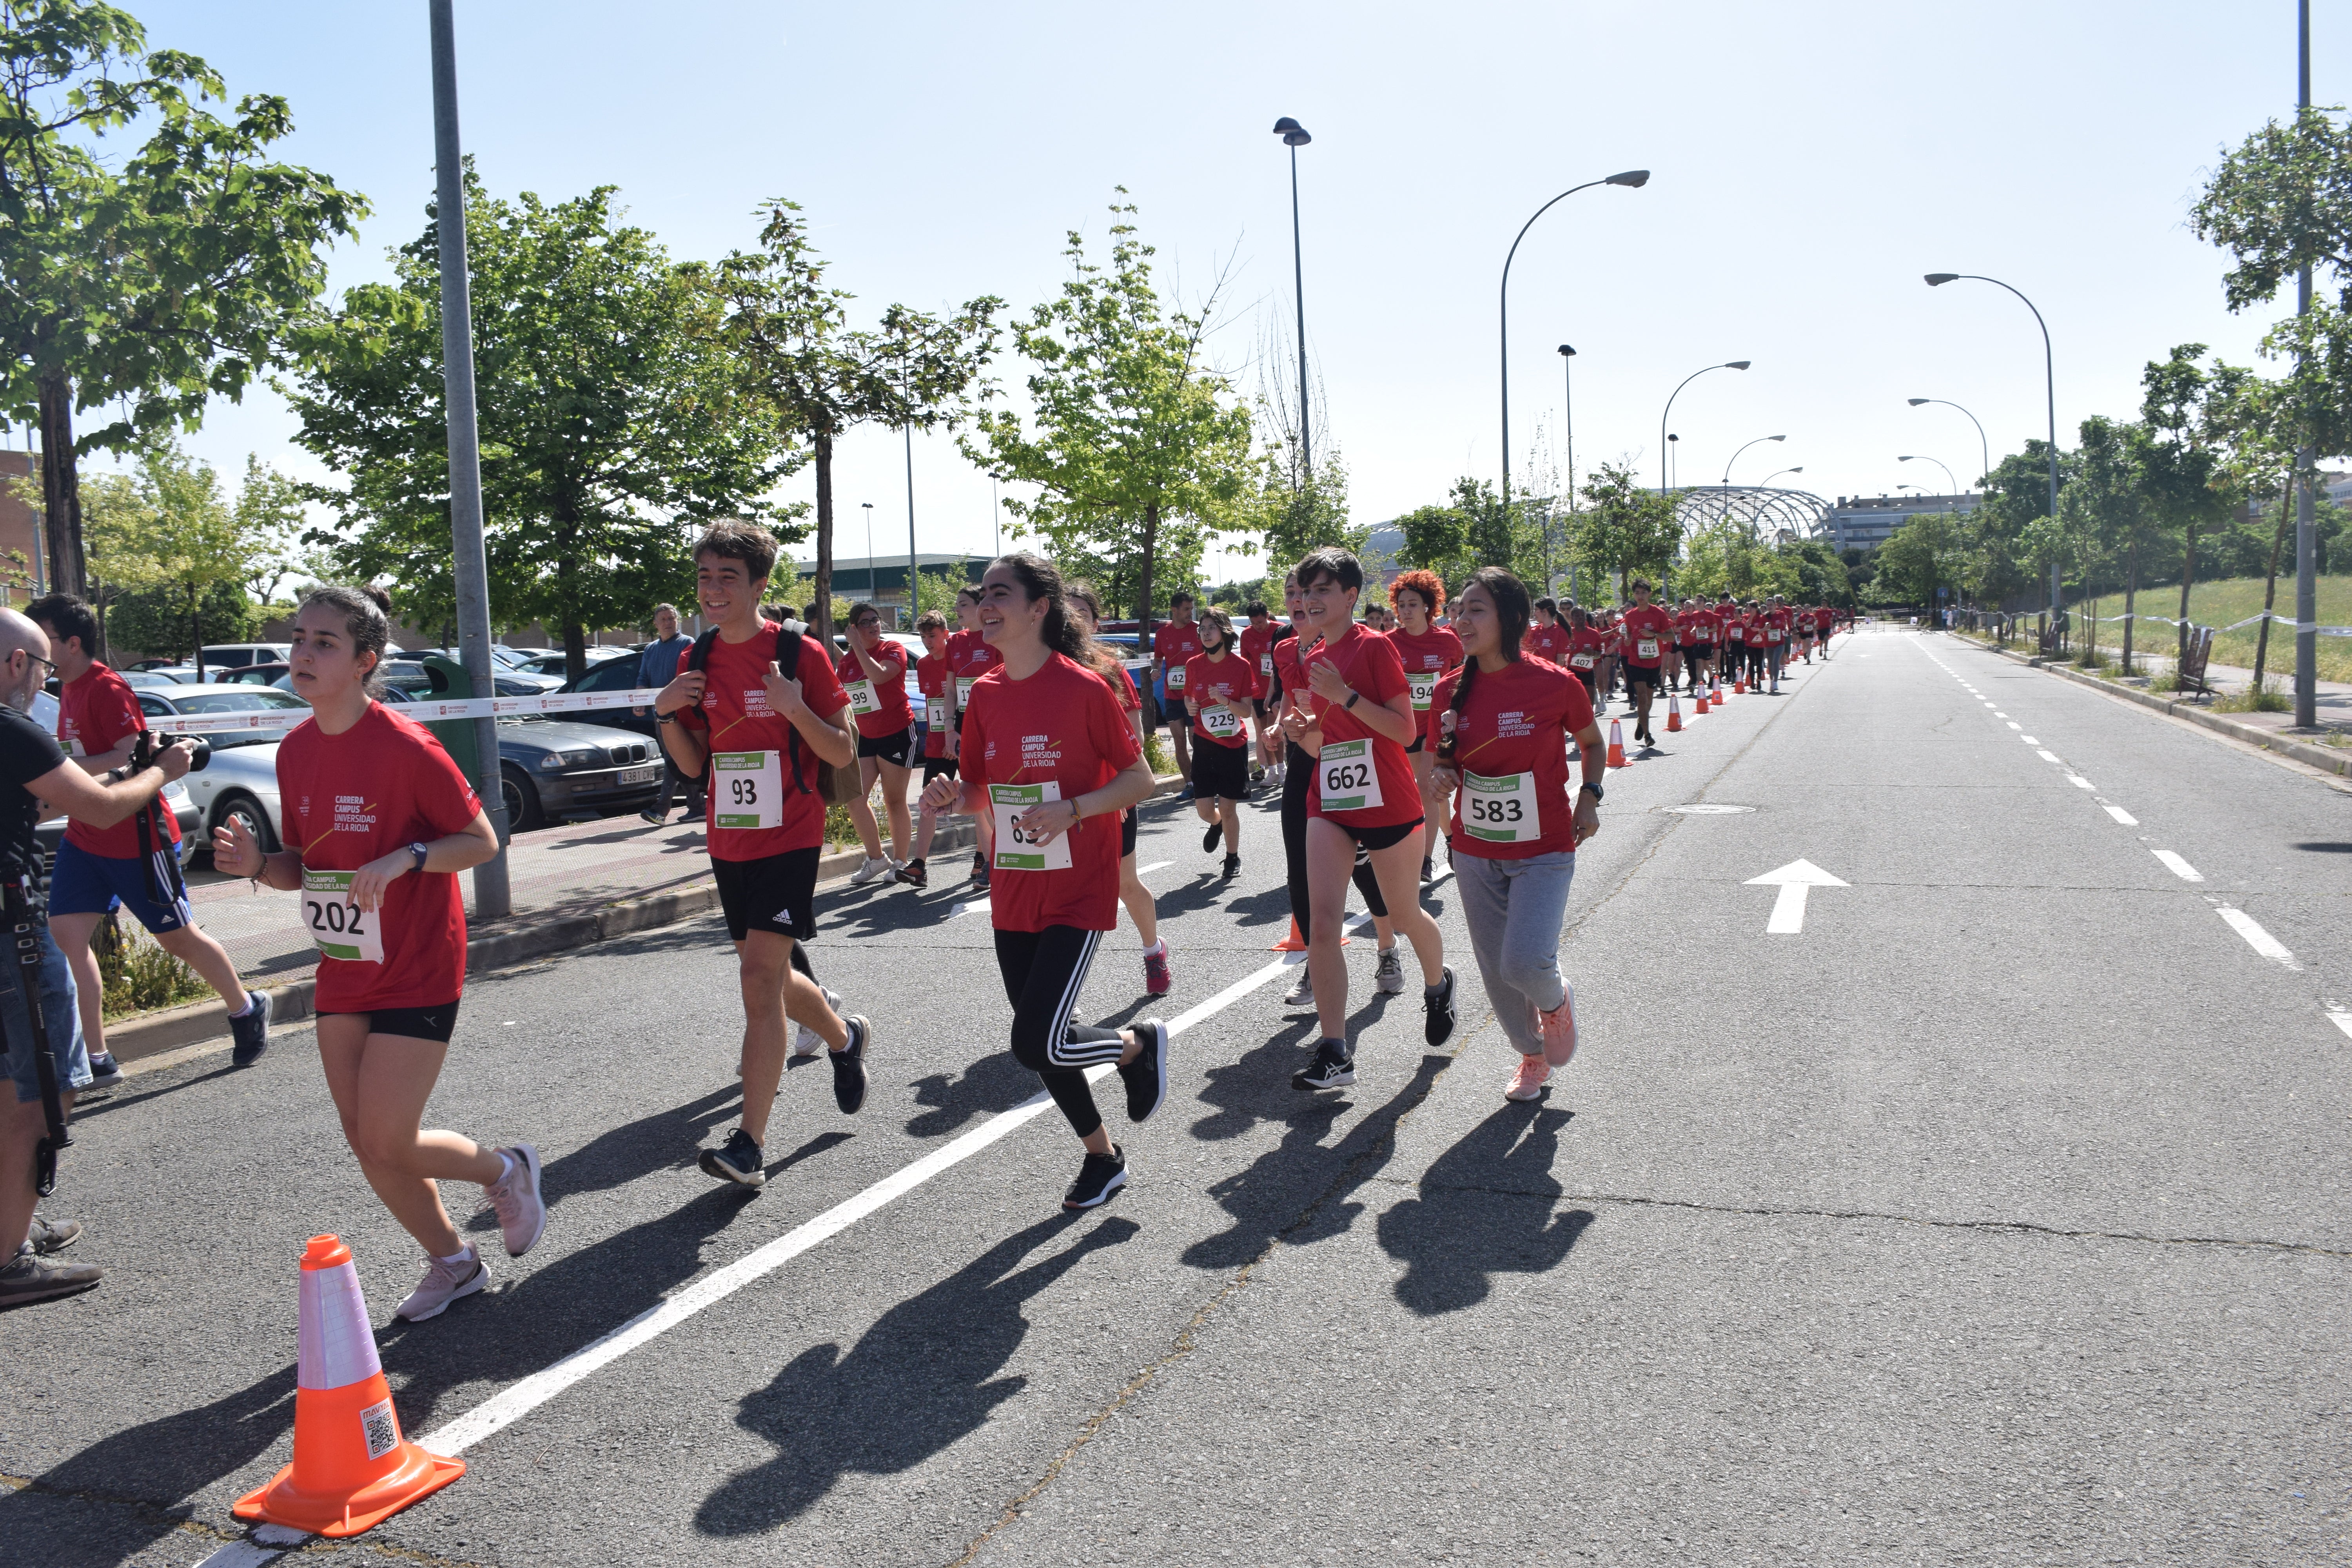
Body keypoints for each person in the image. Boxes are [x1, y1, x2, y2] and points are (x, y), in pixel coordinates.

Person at [212, 586, 543, 1323]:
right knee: (366, 1142)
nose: (302, 652)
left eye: (324, 643)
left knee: (390, 1134)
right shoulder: (295, 752)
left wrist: (409, 857)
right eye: (300, 638)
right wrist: (258, 866)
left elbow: (482, 840)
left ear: (364, 662)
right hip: (345, 964)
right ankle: (454, 1263)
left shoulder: (407, 746)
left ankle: (505, 1170)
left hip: (419, 961)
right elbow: (306, 863)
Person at [919, 553, 1167, 1209]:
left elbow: (1142, 780)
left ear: (1038, 609)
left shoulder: (1086, 688)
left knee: (1035, 1041)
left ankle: (1137, 1046)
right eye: (984, 594)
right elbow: (980, 790)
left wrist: (1075, 808)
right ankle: (1103, 1157)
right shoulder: (988, 695)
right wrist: (951, 796)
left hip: (1078, 890)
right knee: (1047, 1039)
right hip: (1015, 887)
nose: (986, 603)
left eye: (1002, 593)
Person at [653, 522, 872, 1190]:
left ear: (758, 585)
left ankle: (749, 1145)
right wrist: (664, 715)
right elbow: (695, 765)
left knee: (756, 979)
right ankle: (843, 1036)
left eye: (727, 578)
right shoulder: (698, 657)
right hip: (729, 835)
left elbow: (841, 752)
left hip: (790, 834)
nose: (712, 590)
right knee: (769, 978)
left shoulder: (797, 652)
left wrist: (796, 707)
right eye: (704, 577)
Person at [0, 609, 195, 1306]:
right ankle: (8, 1260)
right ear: (19, 665)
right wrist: (164, 771)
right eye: (42, 670)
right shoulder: (10, 727)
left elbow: (42, 802)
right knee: (48, 1088)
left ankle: (9, 1226)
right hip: (10, 940)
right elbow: (103, 809)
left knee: (9, 1083)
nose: (44, 686)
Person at [28, 593, 269, 1081]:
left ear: (72, 644)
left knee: (177, 938)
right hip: (85, 835)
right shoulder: (66, 689)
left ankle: (247, 1007)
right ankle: (97, 1057)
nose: (35, 648)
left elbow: (126, 756)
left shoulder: (107, 686)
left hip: (136, 837)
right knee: (67, 938)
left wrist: (60, 772)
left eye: (43, 639)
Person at [1425, 568, 1604, 1104]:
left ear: (1511, 618)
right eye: (1459, 609)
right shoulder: (1447, 693)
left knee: (1524, 962)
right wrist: (1441, 776)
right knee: (1498, 976)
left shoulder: (1555, 683)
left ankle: (1555, 1002)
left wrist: (1590, 797)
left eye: (1476, 609)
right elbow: (1443, 763)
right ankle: (1530, 1055)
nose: (1461, 619)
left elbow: (1593, 743)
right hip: (1476, 850)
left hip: (1545, 848)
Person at [1288, 547, 1453, 1092]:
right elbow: (1326, 741)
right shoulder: (1312, 657)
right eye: (1305, 591)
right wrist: (1301, 730)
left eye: (1322, 591)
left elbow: (1405, 732)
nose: (1310, 601)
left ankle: (1438, 984)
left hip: (1387, 800)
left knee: (1404, 914)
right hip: (1330, 803)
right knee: (1322, 924)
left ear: (1351, 597)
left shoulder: (1376, 650)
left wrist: (1345, 695)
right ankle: (1335, 1052)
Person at [1270, 572, 1406, 1011]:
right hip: (1307, 762)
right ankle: (1319, 955)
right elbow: (1294, 702)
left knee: (1365, 864)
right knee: (1301, 869)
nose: (1297, 601)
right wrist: (1279, 726)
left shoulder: (1358, 645)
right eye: (1291, 594)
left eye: (1306, 593)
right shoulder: (1284, 650)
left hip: (1355, 760)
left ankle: (1387, 945)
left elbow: (1395, 720)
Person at [1067, 582, 1171, 995]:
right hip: (1060, 801)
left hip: (1111, 797)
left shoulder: (1109, 670)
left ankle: (1153, 949)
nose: (1072, 621)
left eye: (1081, 614)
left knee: (1124, 884)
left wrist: (1115, 791)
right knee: (1070, 893)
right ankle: (1061, 993)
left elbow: (1136, 739)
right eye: (1065, 612)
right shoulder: (1037, 668)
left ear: (1096, 622)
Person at [1384, 570, 1464, 884]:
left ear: (1429, 607)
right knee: (1418, 796)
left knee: (1428, 792)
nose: (1406, 611)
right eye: (1401, 604)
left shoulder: (1447, 641)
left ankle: (1424, 860)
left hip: (1434, 730)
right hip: (1400, 729)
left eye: (1413, 604)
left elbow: (1461, 680)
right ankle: (1451, 836)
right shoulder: (1388, 643)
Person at [836, 602, 914, 884]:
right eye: (865, 623)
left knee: (895, 800)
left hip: (897, 732)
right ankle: (877, 857)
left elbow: (880, 675)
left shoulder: (893, 648)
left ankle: (901, 861)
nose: (873, 626)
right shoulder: (846, 663)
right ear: (854, 628)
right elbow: (841, 699)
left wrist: (857, 647)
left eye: (876, 620)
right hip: (865, 736)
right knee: (855, 798)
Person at [1181, 606, 1257, 879]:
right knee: (1205, 812)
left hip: (1232, 747)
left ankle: (1232, 857)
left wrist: (1225, 701)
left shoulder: (1241, 667)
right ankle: (1217, 826)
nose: (1206, 633)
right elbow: (1190, 699)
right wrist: (1190, 707)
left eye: (1211, 628)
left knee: (1228, 808)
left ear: (1224, 631)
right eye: (1202, 629)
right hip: (1203, 745)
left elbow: (1247, 712)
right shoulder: (1194, 665)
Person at [896, 611, 956, 889]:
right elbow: (934, 704)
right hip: (936, 745)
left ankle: (984, 859)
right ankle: (919, 865)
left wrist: (954, 738)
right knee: (929, 803)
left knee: (981, 802)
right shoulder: (922, 665)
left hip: (963, 742)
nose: (928, 642)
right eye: (923, 637)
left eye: (933, 636)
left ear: (946, 633)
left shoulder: (959, 658)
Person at [946, 586, 1000, 889]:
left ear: (981, 607)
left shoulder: (996, 637)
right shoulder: (955, 642)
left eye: (963, 604)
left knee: (995, 790)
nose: (957, 610)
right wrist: (949, 727)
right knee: (976, 791)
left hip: (995, 723)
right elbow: (951, 690)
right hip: (966, 725)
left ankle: (1000, 856)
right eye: (956, 604)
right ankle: (991, 862)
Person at [637, 602, 701, 825]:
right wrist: (639, 700)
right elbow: (643, 678)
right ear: (656, 624)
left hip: (681, 713)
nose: (668, 623)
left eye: (671, 619)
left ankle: (661, 809)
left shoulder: (687, 644)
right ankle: (697, 807)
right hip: (659, 713)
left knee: (673, 758)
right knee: (677, 760)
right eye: (663, 619)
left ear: (677, 621)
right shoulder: (651, 649)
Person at [1152, 593, 1203, 800]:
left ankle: (1205, 780)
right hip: (1172, 696)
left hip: (1193, 696)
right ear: (1174, 610)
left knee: (1196, 740)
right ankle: (1190, 784)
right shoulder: (1163, 634)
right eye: (1186, 609)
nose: (1190, 613)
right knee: (1179, 741)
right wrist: (1155, 671)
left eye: (1191, 609)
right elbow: (1157, 660)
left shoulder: (1199, 630)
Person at [1617, 579, 1675, 748]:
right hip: (1635, 661)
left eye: (1643, 593)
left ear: (1650, 594)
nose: (1640, 596)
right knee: (1641, 697)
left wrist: (1654, 635)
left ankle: (1641, 722)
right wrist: (1628, 639)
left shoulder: (1659, 614)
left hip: (1654, 661)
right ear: (1633, 595)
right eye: (1637, 593)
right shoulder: (1630, 615)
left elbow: (1671, 637)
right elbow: (1628, 632)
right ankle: (1648, 735)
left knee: (1649, 699)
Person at [1237, 600, 1283, 785]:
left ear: (1267, 616)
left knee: (1276, 730)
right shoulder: (1247, 635)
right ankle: (1271, 771)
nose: (1257, 627)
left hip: (1278, 688)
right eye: (1254, 623)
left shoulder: (1281, 630)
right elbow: (1245, 663)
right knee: (1265, 731)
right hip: (1258, 691)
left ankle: (1283, 769)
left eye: (1261, 623)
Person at [1564, 606, 1606, 711]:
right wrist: (1569, 649)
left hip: (1588, 671)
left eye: (1582, 615)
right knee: (1573, 699)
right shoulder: (1567, 634)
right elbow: (1561, 653)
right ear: (1572, 618)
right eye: (1577, 616)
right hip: (1572, 670)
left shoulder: (1594, 634)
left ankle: (1590, 720)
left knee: (1590, 698)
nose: (1580, 618)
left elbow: (1600, 654)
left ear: (1586, 617)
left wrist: (1593, 653)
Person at [1523, 597, 1571, 667]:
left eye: (1536, 610)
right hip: (1537, 674)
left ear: (1545, 612)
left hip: (1553, 675)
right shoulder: (1534, 631)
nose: (1534, 614)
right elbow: (1528, 654)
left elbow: (1560, 661)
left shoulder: (1561, 632)